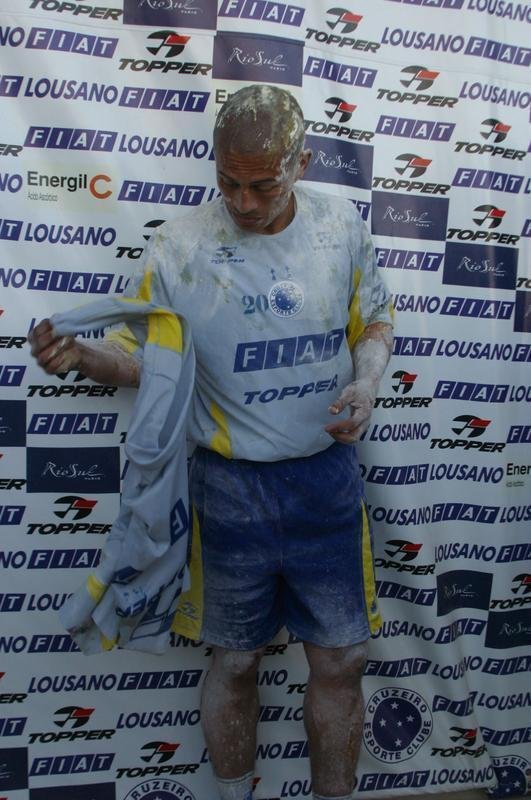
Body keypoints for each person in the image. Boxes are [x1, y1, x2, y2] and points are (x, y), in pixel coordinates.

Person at [29, 84, 394, 800]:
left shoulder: (340, 226)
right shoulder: (180, 245)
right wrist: (83, 359)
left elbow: (374, 324)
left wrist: (367, 383)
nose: (243, 202)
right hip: (229, 490)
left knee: (342, 660)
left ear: (300, 164)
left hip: (324, 483)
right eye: (228, 182)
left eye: (263, 185)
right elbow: (144, 361)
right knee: (234, 662)